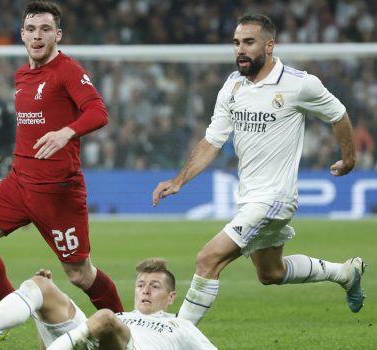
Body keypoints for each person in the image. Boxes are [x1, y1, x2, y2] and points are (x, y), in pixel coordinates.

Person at [151, 14, 365, 326]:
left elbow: (338, 113)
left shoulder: (298, 83)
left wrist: (348, 159)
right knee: (271, 273)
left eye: (248, 42)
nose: (240, 49)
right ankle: (345, 272)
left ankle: (176, 337)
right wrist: (179, 180)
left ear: (269, 45)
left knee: (208, 259)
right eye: (236, 43)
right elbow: (213, 140)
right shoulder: (232, 86)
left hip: (275, 198)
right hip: (249, 197)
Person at [0, 0, 124, 321]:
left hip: (57, 192)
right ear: (22, 35)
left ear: (58, 34)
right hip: (18, 184)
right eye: (31, 29)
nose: (38, 36)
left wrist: (67, 132)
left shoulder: (68, 71)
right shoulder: (21, 76)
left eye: (45, 29)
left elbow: (99, 112)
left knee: (80, 275)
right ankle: (15, 309)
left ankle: (128, 329)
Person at [0, 259, 216, 349]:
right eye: (141, 284)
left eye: (155, 286)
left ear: (170, 298)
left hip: (118, 342)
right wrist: (41, 314)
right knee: (41, 286)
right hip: (91, 340)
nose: (145, 290)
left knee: (106, 318)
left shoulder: (180, 326)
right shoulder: (122, 316)